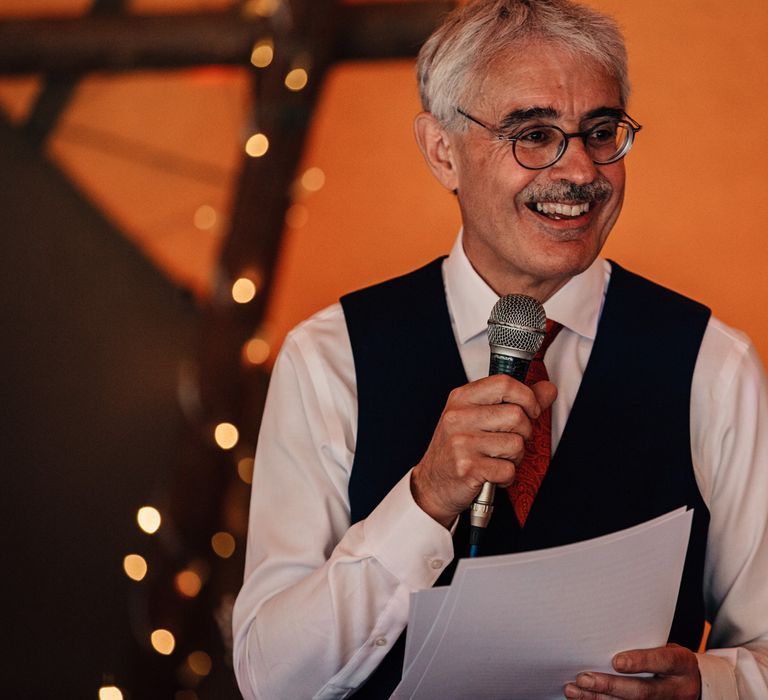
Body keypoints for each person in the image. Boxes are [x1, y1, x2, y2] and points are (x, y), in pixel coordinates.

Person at [232, 1, 768, 698]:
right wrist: (424, 501)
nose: (580, 171)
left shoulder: (712, 364)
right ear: (442, 151)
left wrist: (711, 686)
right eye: (534, 134)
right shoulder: (330, 360)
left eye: (601, 131)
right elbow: (270, 681)